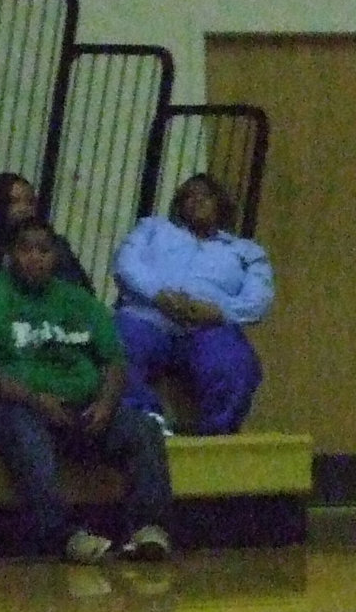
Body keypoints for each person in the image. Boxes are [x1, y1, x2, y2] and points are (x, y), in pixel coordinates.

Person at [0, 216, 172, 565]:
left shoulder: (78, 301)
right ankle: (61, 534)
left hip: (80, 409)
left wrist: (106, 403)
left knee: (143, 428)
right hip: (11, 408)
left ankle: (147, 529)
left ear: (56, 256)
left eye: (44, 250)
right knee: (25, 431)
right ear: (10, 255)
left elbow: (114, 360)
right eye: (26, 249)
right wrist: (35, 399)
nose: (35, 257)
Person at [113, 173, 272, 435]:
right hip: (148, 316)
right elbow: (125, 264)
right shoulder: (153, 229)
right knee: (115, 345)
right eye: (189, 196)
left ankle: (213, 435)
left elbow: (258, 300)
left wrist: (219, 312)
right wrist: (158, 295)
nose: (196, 201)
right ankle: (147, 423)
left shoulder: (246, 251)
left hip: (209, 327)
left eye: (205, 195)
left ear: (220, 203)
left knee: (234, 364)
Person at [0, 171, 92, 329]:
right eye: (14, 201)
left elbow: (81, 294)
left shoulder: (55, 246)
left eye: (30, 202)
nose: (24, 208)